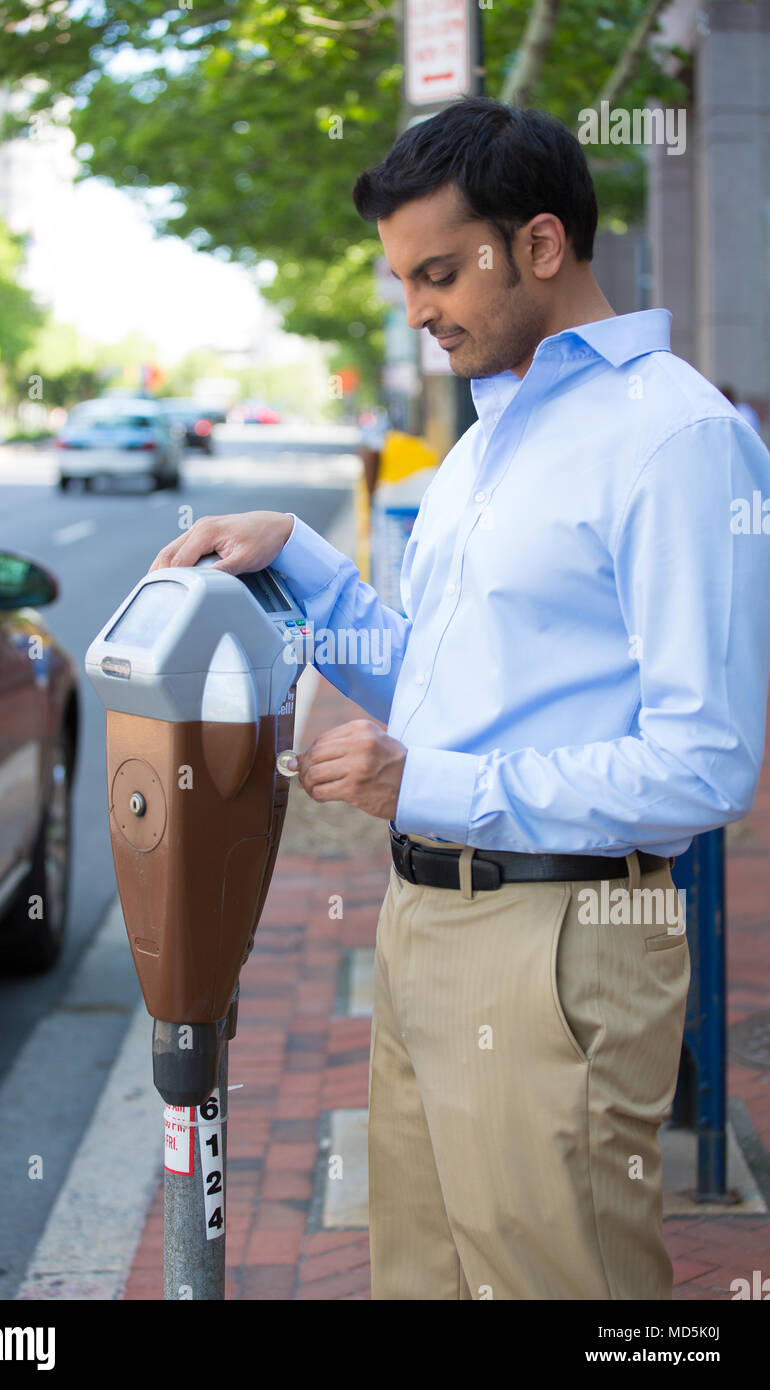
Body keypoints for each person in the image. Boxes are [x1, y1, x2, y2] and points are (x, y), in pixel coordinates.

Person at [149, 96, 770, 1300]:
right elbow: (433, 680)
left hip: (561, 937)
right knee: (423, 1283)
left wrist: (419, 781)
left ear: (538, 244)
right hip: (425, 914)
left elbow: (705, 766)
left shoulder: (674, 438)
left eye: (438, 272)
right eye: (403, 280)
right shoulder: (488, 442)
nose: (418, 310)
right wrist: (300, 562)